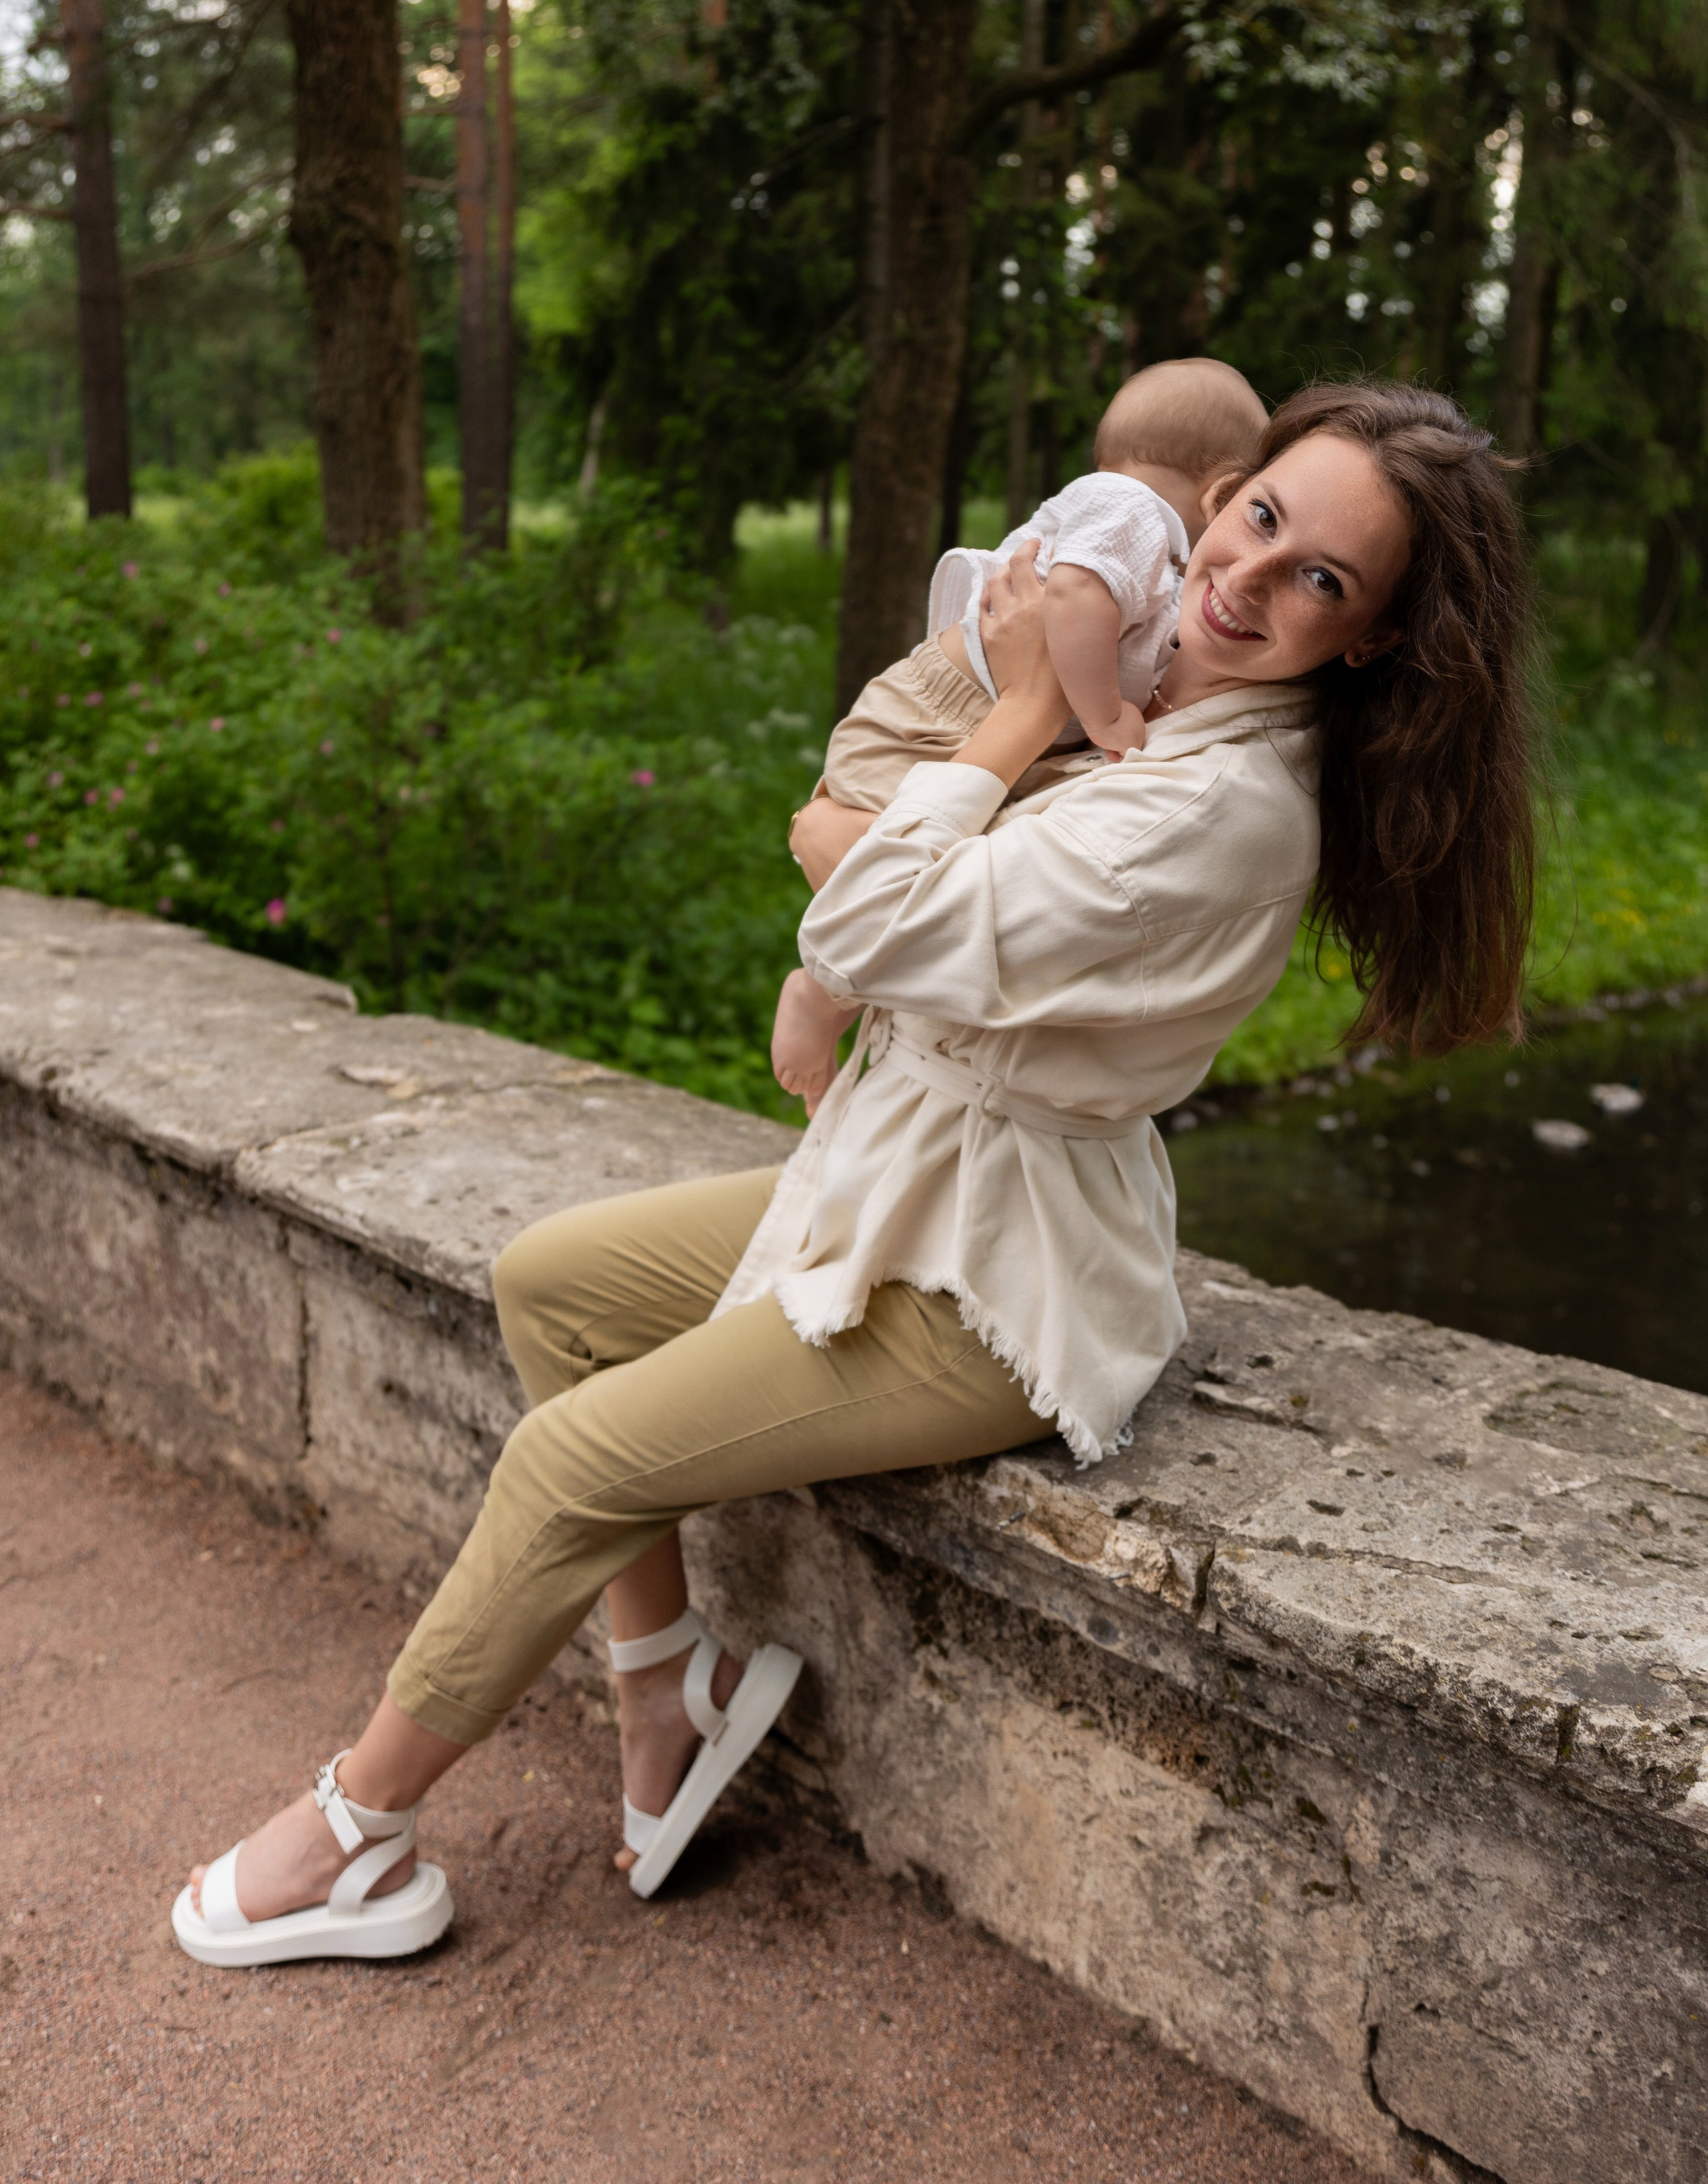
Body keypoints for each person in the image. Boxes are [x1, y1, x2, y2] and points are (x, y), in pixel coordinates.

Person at [172, 381, 1537, 1968]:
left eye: (1320, 579)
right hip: (900, 1168)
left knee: (569, 1460)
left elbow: (868, 909)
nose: (1243, 577)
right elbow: (893, 885)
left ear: (1369, 638)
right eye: (1256, 518)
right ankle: (665, 1689)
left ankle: (355, 1831)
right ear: (1220, 495)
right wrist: (899, 835)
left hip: (989, 1281)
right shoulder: (1168, 672)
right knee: (553, 1279)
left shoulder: (1216, 804)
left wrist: (1010, 717)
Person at [773, 357, 1268, 1106]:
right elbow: (1072, 597)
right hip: (937, 717)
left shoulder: (1133, 521)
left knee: (945, 877)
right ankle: (822, 989)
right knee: (894, 869)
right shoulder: (1134, 512)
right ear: (1223, 490)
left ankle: (844, 989)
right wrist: (1103, 716)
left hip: (975, 719)